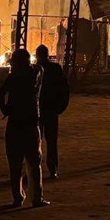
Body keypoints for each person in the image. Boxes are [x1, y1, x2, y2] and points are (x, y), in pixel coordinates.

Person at [0, 49, 48, 208]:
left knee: (15, 164)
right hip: (31, 124)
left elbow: (0, 94)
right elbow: (38, 65)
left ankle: (18, 198)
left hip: (15, 124)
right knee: (34, 163)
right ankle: (37, 198)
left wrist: (5, 109)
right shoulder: (37, 72)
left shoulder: (13, 78)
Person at [34, 45, 69, 179]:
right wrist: (60, 107)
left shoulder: (35, 70)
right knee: (51, 142)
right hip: (49, 110)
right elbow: (64, 89)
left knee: (36, 143)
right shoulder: (54, 69)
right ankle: (52, 169)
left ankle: (35, 171)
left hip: (40, 111)